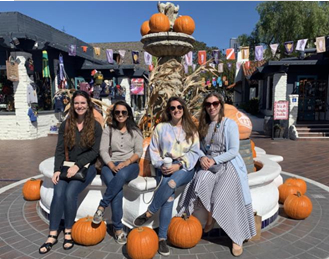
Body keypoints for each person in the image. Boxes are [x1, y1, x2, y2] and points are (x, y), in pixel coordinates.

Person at [177, 92, 256, 257]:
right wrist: (202, 158)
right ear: (205, 107)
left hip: (227, 165)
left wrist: (215, 160)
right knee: (200, 180)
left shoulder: (230, 124)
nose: (211, 107)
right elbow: (198, 148)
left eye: (215, 104)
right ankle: (204, 217)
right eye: (208, 104)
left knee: (223, 195)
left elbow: (234, 151)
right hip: (209, 164)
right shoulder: (203, 125)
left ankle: (237, 237)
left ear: (220, 105)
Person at [134, 96, 200, 256]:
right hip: (164, 167)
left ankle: (149, 212)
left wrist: (179, 164)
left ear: (183, 109)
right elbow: (154, 150)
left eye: (179, 107)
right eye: (173, 108)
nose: (176, 110)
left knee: (171, 185)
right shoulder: (161, 128)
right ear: (169, 111)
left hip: (184, 167)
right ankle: (162, 239)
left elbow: (195, 152)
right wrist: (161, 165)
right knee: (168, 198)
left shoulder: (191, 129)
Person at [39, 90, 102, 254]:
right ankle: (52, 234)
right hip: (67, 167)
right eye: (76, 103)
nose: (79, 106)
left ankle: (68, 231)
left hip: (86, 168)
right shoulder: (66, 124)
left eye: (83, 103)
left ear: (88, 105)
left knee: (70, 193)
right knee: (58, 193)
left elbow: (94, 152)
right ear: (72, 106)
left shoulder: (95, 126)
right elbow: (59, 149)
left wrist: (78, 166)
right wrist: (56, 170)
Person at [92, 100, 143, 245]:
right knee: (117, 190)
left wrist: (126, 162)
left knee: (121, 175)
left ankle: (102, 206)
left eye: (123, 112)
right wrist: (109, 164)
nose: (120, 115)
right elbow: (102, 150)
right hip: (110, 163)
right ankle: (118, 229)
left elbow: (139, 152)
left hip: (131, 165)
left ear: (128, 114)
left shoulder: (136, 131)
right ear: (114, 114)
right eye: (117, 112)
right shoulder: (109, 129)